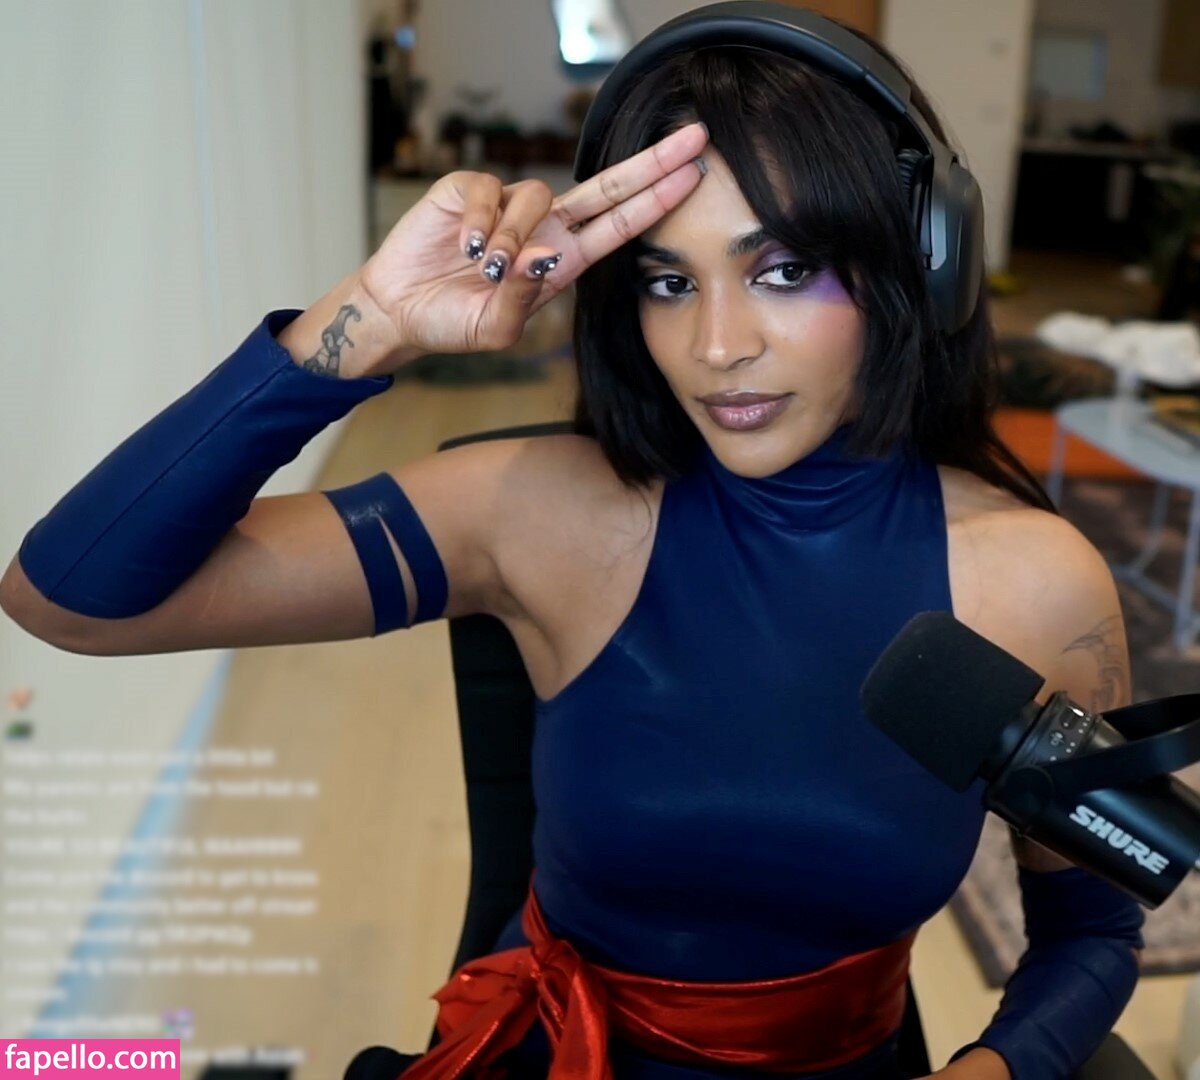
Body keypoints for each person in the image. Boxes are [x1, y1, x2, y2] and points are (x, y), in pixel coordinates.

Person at [1, 5, 1145, 1079]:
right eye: (668, 281)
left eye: (784, 269)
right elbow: (69, 596)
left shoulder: (1036, 585)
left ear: (922, 260)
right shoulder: (536, 513)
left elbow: (1092, 931)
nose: (717, 345)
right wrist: (366, 326)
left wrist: (993, 1068)